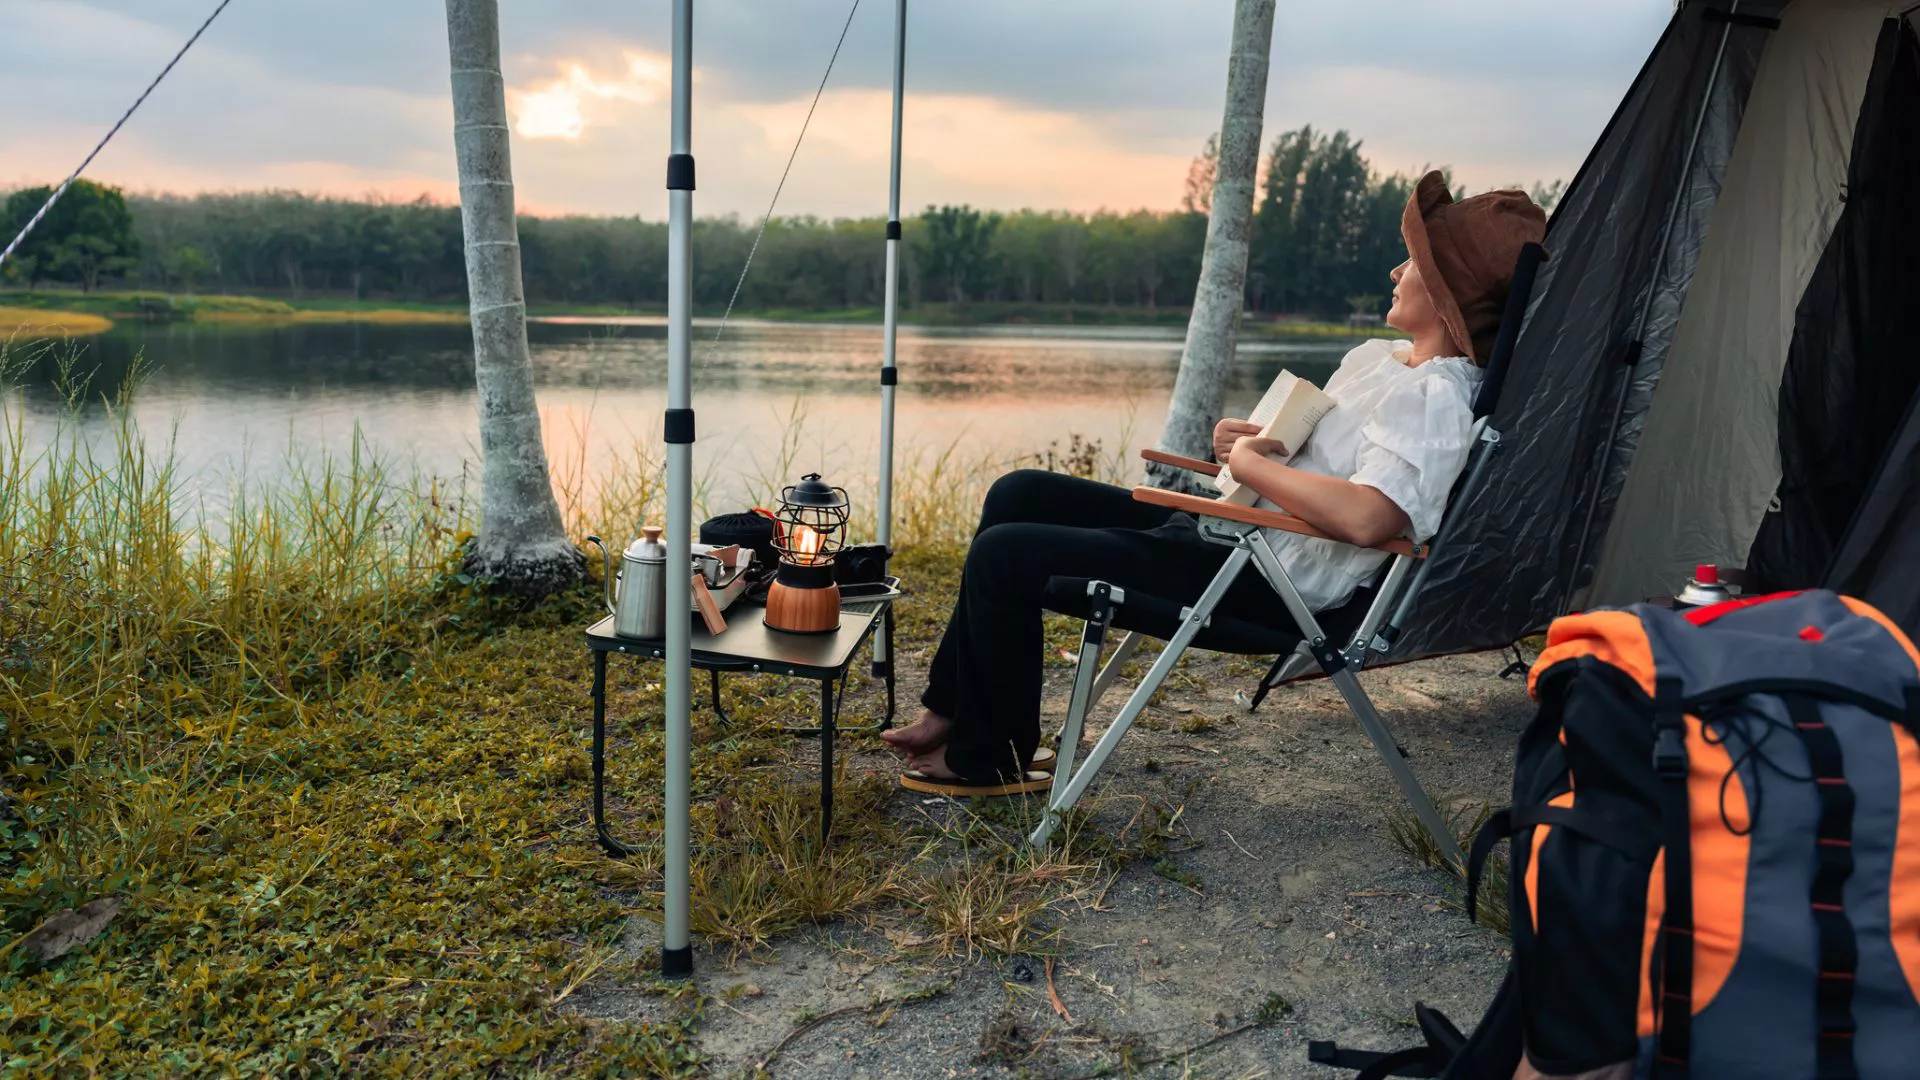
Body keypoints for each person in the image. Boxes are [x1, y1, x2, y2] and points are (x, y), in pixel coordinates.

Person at [883, 171, 1547, 795]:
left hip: (1272, 585)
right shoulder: (1380, 362)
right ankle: (953, 711)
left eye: (1416, 266)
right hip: (1238, 540)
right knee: (1017, 493)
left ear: (1450, 294)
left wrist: (1257, 468)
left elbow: (1373, 518)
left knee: (1006, 555)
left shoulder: (1434, 396)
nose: (1396, 272)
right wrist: (1250, 443)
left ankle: (987, 759)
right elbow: (1314, 464)